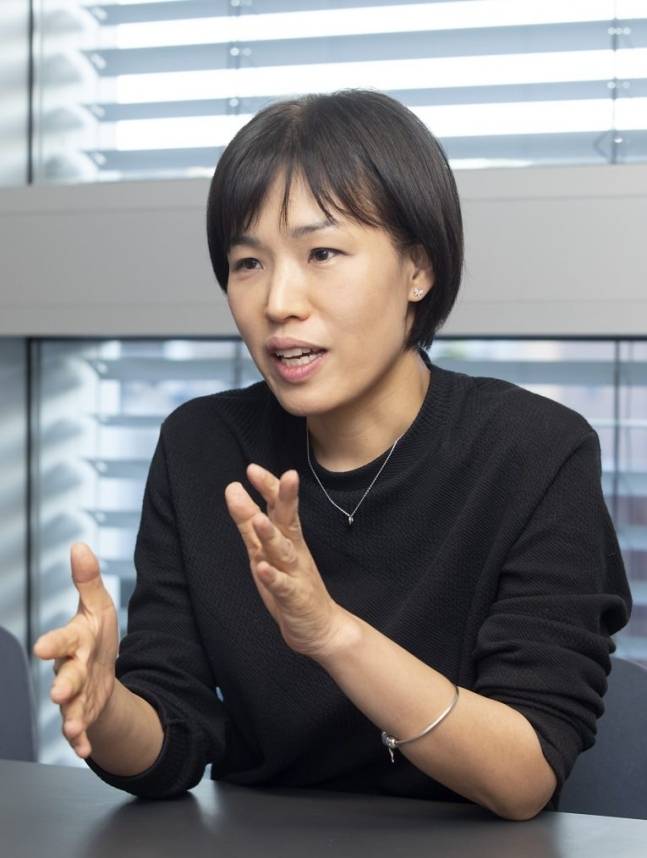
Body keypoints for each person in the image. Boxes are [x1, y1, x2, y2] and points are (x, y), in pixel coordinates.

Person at [33, 89, 632, 820]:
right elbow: (172, 736)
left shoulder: (534, 453)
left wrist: (330, 633)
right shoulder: (201, 447)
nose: (278, 301)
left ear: (418, 269)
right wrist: (105, 709)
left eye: (321, 253)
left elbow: (524, 775)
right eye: (248, 262)